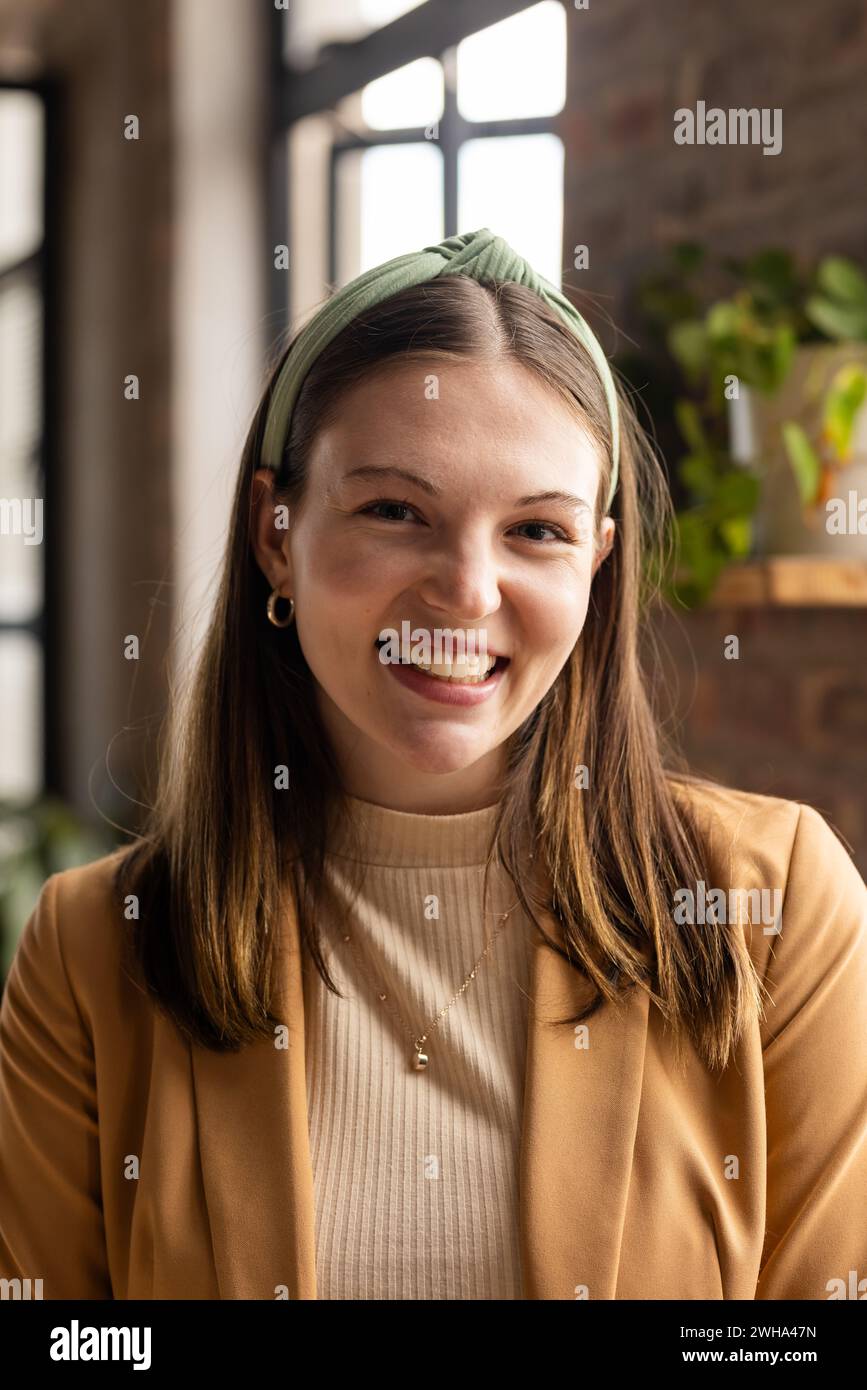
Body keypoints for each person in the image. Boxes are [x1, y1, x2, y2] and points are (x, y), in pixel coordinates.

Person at [1, 230, 866, 1301]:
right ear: (277, 532)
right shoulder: (91, 949)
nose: (465, 589)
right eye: (396, 511)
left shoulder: (776, 904)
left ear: (598, 562)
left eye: (537, 532)